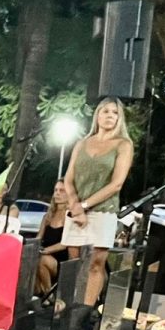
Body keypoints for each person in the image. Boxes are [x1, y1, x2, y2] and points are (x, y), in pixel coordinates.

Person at [61, 97, 135, 305]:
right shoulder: (82, 143)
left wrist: (84, 206)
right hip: (75, 210)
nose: (110, 116)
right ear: (97, 115)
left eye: (115, 113)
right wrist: (75, 205)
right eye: (106, 111)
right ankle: (69, 306)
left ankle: (85, 310)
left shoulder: (123, 144)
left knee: (95, 263)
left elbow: (116, 184)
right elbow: (68, 178)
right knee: (75, 263)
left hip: (103, 210)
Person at [34, 181, 71, 297]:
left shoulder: (69, 216)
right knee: (29, 258)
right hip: (43, 254)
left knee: (42, 259)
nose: (57, 194)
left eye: (61, 191)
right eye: (55, 190)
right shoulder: (47, 217)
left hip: (61, 261)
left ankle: (49, 295)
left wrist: (45, 251)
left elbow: (65, 243)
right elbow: (38, 238)